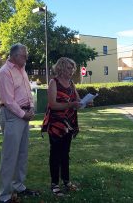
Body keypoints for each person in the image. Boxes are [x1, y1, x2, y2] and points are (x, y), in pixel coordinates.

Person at [0, 43, 38, 203]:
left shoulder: (22, 70)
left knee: (22, 153)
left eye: (26, 55)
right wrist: (23, 114)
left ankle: (19, 185)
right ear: (13, 56)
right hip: (12, 116)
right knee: (9, 156)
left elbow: (27, 91)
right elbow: (7, 100)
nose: (26, 57)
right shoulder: (4, 72)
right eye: (23, 55)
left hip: (24, 114)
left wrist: (32, 108)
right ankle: (4, 195)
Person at [41, 57, 84, 197]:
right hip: (56, 124)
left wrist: (84, 102)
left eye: (72, 68)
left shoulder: (71, 83)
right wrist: (71, 105)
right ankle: (54, 184)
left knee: (65, 154)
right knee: (55, 154)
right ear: (61, 68)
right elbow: (53, 105)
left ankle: (66, 181)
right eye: (69, 68)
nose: (71, 71)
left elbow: (77, 100)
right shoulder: (54, 82)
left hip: (69, 124)